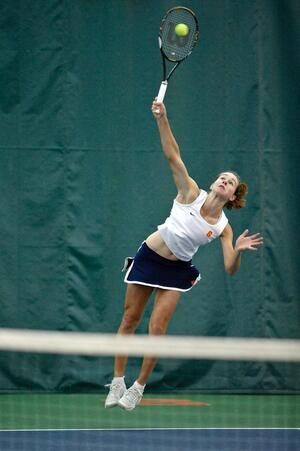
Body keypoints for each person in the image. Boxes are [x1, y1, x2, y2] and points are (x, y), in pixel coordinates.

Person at [104, 100, 263, 411]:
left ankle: (137, 388)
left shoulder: (224, 228)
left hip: (177, 273)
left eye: (229, 182)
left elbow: (230, 267)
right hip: (149, 257)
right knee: (129, 319)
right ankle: (118, 381)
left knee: (157, 329)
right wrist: (162, 118)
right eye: (222, 177)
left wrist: (239, 251)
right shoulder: (190, 192)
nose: (223, 180)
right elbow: (172, 154)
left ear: (232, 196)